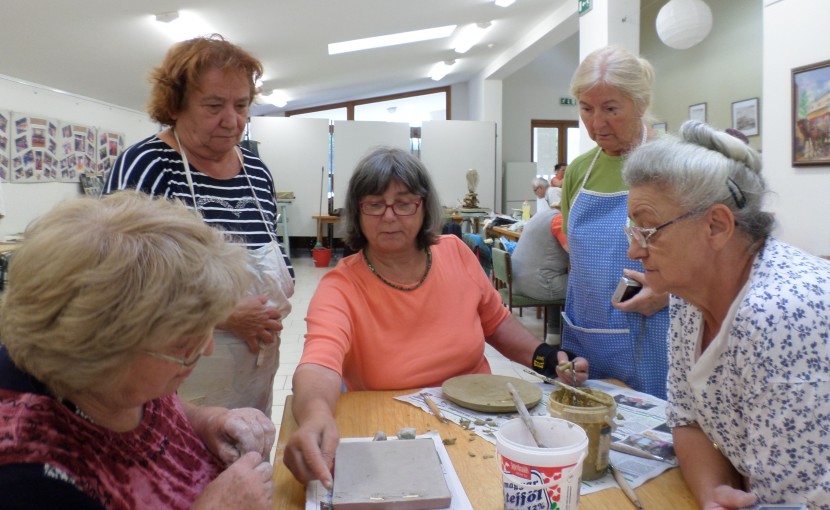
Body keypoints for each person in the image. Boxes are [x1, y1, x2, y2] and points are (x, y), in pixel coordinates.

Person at [283, 147, 588, 487]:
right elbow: (319, 362)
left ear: (424, 206)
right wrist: (315, 416)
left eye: (403, 202)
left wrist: (547, 359)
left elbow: (497, 324)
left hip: (478, 423)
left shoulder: (455, 253)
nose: (388, 216)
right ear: (357, 211)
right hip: (392, 431)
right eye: (374, 203)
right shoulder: (341, 286)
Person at [0, 193, 276, 509]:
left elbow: (154, 407)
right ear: (102, 352)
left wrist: (202, 421)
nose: (208, 348)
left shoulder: (110, 382)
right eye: (183, 342)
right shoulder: (28, 481)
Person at [622, 120, 830, 509]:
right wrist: (713, 492)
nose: (635, 251)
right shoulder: (689, 294)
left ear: (716, 226)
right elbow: (687, 417)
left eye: (647, 230)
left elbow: (794, 502)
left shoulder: (779, 315)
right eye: (632, 230)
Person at [104, 34, 293, 416]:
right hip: (174, 376)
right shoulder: (147, 166)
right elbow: (118, 282)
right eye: (213, 106)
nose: (232, 120)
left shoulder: (255, 171)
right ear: (175, 105)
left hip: (252, 375)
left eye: (241, 106)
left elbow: (269, 246)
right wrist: (223, 313)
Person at [559, 45, 670, 399]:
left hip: (654, 328)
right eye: (586, 109)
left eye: (610, 109)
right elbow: (573, 252)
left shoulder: (674, 162)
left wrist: (667, 293)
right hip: (587, 327)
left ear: (640, 104)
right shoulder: (578, 171)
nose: (596, 123)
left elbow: (716, 261)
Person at [510, 206, 569, 346]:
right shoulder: (559, 220)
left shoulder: (541, 215)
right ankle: (580, 340)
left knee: (557, 274)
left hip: (519, 283)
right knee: (584, 285)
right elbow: (574, 251)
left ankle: (554, 333)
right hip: (540, 284)